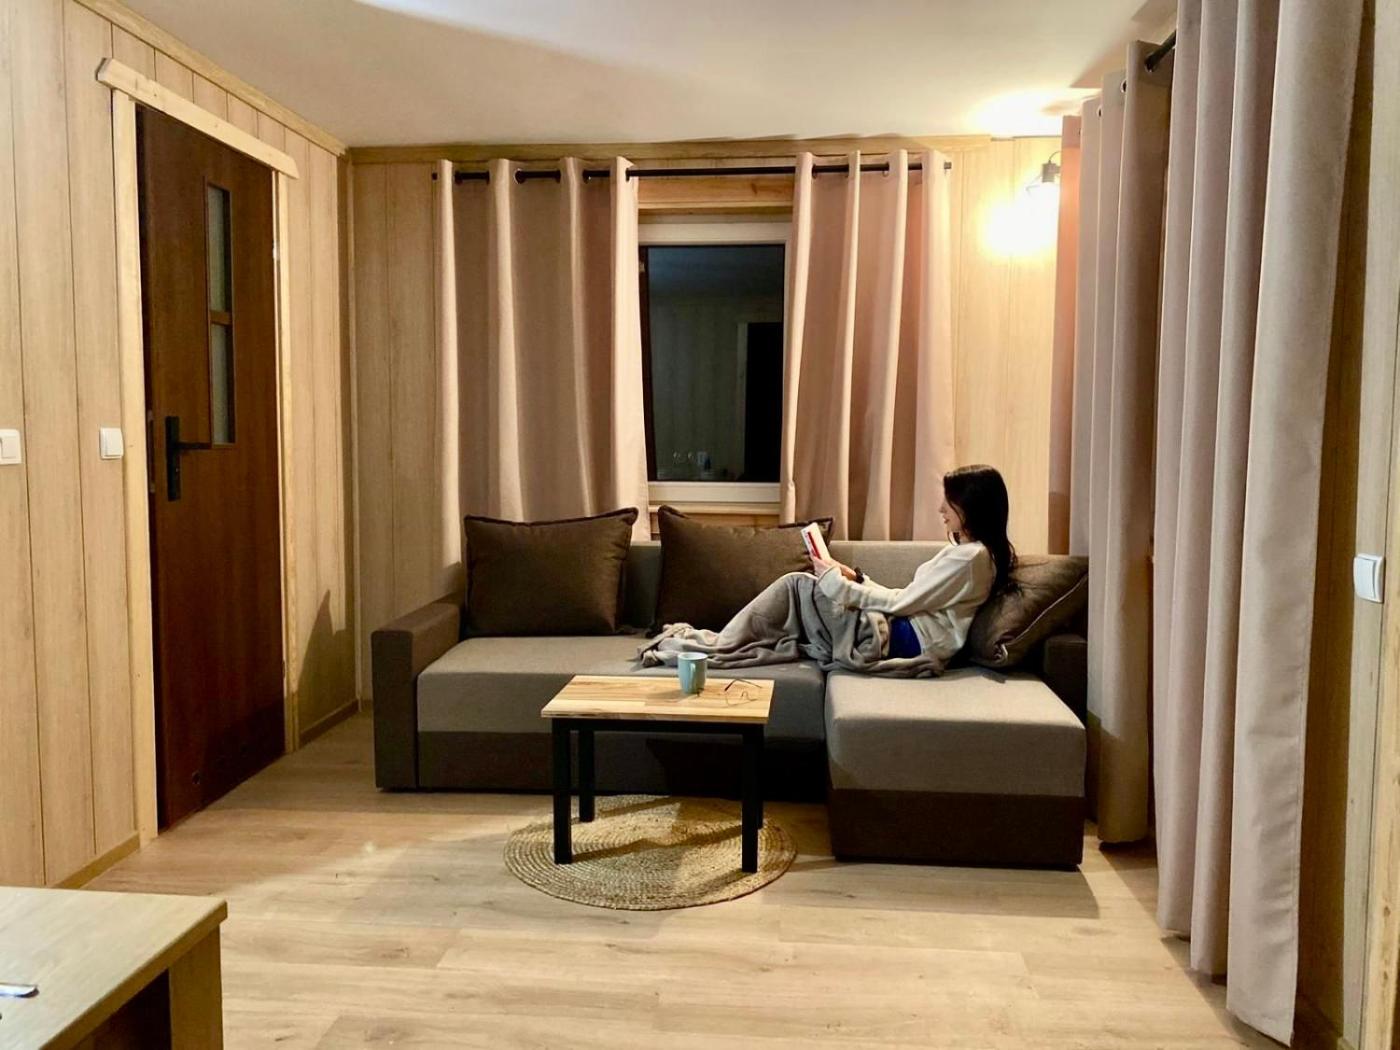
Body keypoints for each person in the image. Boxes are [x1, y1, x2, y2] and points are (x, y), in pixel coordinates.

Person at [640, 465, 1016, 675]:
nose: (941, 510)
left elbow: (903, 604)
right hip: (903, 631)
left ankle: (718, 644)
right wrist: (856, 579)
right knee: (801, 591)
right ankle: (724, 640)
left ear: (971, 506)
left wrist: (835, 583)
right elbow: (910, 599)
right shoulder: (972, 554)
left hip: (902, 639)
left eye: (949, 502)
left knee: (796, 585)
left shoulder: (969, 559)